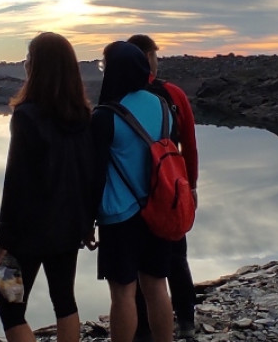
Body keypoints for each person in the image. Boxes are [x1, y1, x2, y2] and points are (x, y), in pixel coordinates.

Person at [0, 32, 95, 342]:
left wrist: (3, 239)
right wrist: (86, 223)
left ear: (37, 67)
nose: (25, 63)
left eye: (29, 58)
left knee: (9, 308)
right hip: (68, 228)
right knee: (64, 301)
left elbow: (16, 183)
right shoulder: (84, 116)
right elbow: (88, 175)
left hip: (24, 235)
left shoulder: (25, 116)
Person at [91, 41, 175, 342]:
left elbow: (95, 175)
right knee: (156, 285)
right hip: (160, 209)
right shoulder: (163, 106)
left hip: (119, 216)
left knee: (123, 293)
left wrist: (86, 221)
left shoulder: (105, 116)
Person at [127, 34, 199, 341]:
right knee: (176, 257)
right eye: (155, 55)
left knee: (141, 266)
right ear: (147, 56)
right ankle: (185, 323)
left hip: (136, 196)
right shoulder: (173, 94)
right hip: (171, 189)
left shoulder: (123, 95)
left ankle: (143, 329)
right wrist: (191, 186)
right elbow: (190, 146)